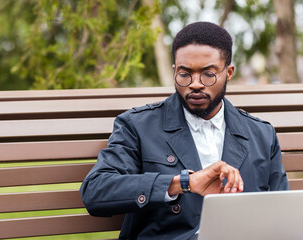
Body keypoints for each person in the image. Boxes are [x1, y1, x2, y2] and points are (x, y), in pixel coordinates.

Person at [79, 21, 289, 240]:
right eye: (185, 74)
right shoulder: (138, 126)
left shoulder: (261, 135)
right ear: (174, 72)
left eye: (208, 74)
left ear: (229, 73)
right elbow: (96, 191)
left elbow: (283, 212)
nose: (195, 84)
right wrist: (181, 183)